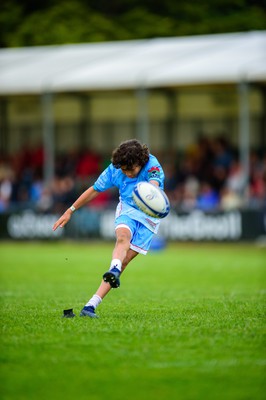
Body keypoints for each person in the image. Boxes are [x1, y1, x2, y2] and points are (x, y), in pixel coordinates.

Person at [53, 139, 166, 318]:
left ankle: (90, 305)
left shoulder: (152, 165)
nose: (127, 173)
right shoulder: (116, 167)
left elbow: (153, 188)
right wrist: (70, 210)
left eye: (131, 170)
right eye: (124, 170)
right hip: (127, 208)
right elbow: (94, 190)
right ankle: (113, 269)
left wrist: (150, 195)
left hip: (148, 215)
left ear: (140, 162)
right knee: (122, 238)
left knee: (126, 260)